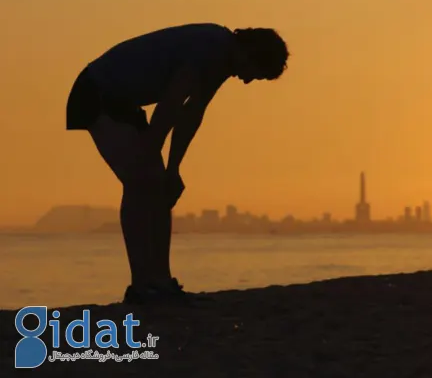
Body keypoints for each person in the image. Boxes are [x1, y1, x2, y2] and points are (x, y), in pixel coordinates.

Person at [65, 23, 289, 304]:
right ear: (250, 53)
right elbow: (170, 104)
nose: (247, 82)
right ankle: (141, 286)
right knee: (140, 182)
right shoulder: (211, 47)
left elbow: (192, 113)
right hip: (95, 94)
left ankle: (160, 281)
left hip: (123, 104)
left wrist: (173, 170)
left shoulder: (222, 62)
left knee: (158, 185)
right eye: (255, 75)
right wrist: (152, 152)